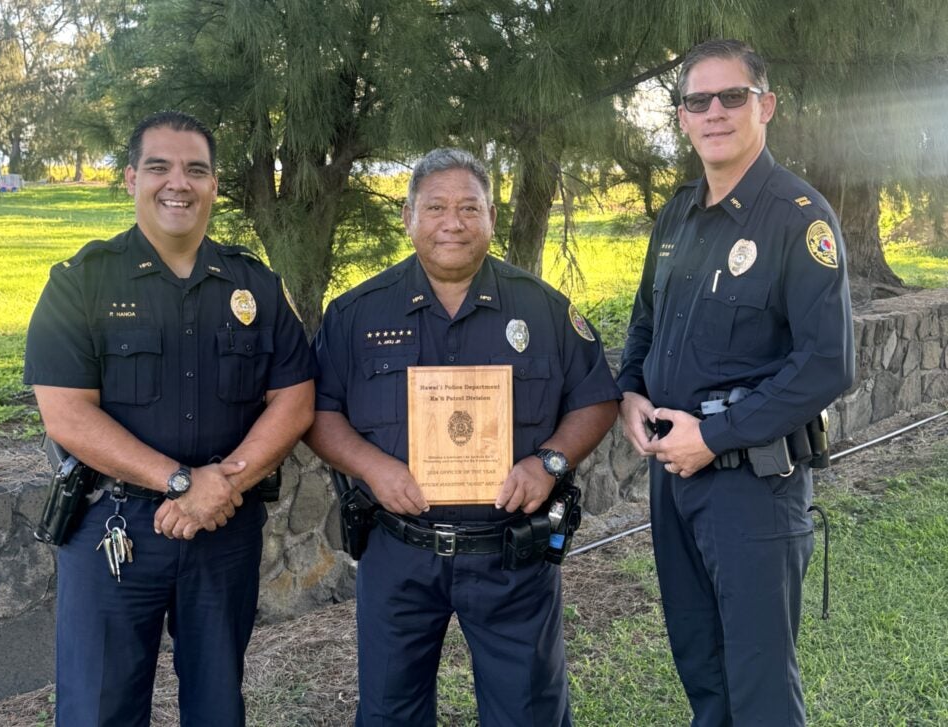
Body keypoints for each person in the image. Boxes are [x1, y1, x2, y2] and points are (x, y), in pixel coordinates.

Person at [304, 147, 620, 726]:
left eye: (470, 208)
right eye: (437, 208)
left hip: (510, 556)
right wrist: (374, 468)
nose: (453, 223)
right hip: (399, 552)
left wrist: (548, 462)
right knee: (390, 713)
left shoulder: (543, 309)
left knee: (529, 714)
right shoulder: (355, 313)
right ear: (409, 216)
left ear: (492, 218)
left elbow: (596, 397)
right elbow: (320, 413)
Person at [23, 110, 315, 727]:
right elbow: (67, 415)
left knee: (216, 706)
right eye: (158, 167)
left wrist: (223, 484)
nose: (177, 182)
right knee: (97, 708)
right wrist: (183, 483)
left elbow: (295, 397)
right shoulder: (82, 283)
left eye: (196, 170)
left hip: (222, 533)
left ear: (214, 185)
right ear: (131, 178)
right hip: (112, 528)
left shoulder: (254, 285)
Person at [616, 40, 855, 726]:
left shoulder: (798, 217)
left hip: (752, 490)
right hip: (675, 482)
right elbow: (644, 322)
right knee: (703, 672)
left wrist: (713, 435)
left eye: (733, 96)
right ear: (684, 118)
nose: (714, 112)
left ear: (766, 106)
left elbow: (826, 362)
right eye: (698, 100)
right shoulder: (677, 216)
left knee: (759, 690)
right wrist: (631, 391)